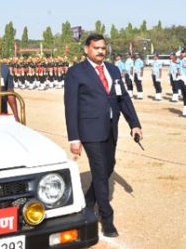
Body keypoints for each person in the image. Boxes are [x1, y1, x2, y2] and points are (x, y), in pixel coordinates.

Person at [64, 34, 142, 237]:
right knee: (99, 171)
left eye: (103, 48)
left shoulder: (113, 70)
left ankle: (89, 202)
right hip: (89, 131)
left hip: (110, 128)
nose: (101, 51)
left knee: (109, 166)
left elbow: (123, 98)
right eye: (96, 48)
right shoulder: (76, 73)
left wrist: (134, 124)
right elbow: (71, 107)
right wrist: (74, 138)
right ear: (86, 50)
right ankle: (107, 220)